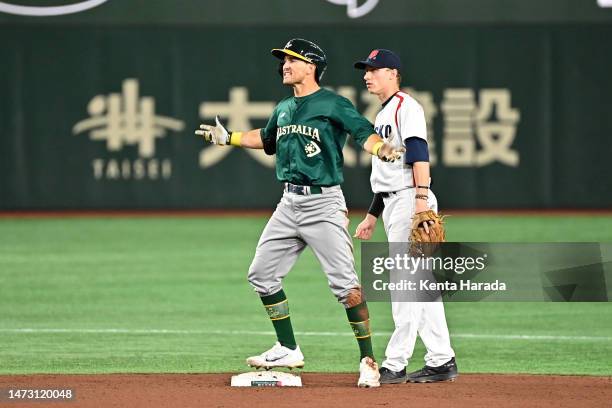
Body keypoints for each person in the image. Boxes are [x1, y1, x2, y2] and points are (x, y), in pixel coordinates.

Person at [195, 39, 404, 387]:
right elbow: (265, 140)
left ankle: (368, 360)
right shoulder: (284, 108)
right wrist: (228, 137)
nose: (285, 65)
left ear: (311, 66)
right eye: (283, 61)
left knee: (347, 288)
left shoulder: (332, 103)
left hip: (323, 204)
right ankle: (287, 347)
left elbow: (362, 132)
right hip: (288, 204)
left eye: (292, 60)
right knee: (261, 274)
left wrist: (381, 148)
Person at [353, 49, 458, 384]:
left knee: (405, 284)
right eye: (365, 70)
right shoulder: (385, 111)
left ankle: (395, 363)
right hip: (395, 201)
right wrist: (372, 215)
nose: (367, 75)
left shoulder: (405, 106)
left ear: (393, 73)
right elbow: (388, 175)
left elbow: (418, 153)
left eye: (374, 69)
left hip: (411, 199)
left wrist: (421, 200)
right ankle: (442, 360)